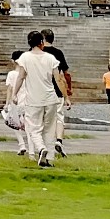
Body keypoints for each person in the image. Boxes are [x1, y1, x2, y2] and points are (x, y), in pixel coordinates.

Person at [14, 30, 65, 168]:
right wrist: (65, 95)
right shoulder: (50, 58)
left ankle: (41, 148)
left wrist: (14, 93)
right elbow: (58, 78)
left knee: (33, 128)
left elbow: (21, 77)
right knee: (49, 128)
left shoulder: (25, 57)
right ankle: (49, 159)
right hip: (50, 98)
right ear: (41, 42)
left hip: (33, 99)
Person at [41, 27, 72, 155]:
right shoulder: (58, 53)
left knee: (43, 119)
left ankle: (43, 145)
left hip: (41, 90)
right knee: (59, 117)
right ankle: (58, 140)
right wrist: (67, 94)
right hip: (57, 90)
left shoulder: (37, 53)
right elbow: (64, 74)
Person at [3, 49, 31, 154]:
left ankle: (22, 145)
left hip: (15, 101)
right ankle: (31, 144)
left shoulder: (11, 74)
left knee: (15, 124)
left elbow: (9, 89)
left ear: (13, 61)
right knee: (27, 124)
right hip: (26, 101)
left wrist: (7, 103)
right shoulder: (27, 74)